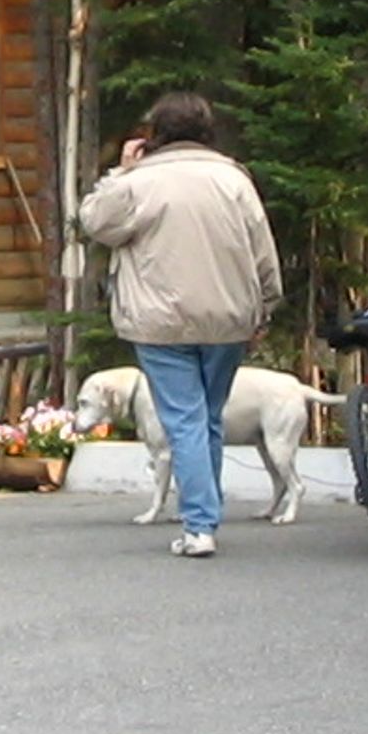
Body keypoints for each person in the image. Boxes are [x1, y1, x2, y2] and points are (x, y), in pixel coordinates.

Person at [74, 91, 278, 557]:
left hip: (159, 322)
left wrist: (121, 171)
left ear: (154, 134)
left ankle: (200, 525)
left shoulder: (140, 183)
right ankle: (207, 509)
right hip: (228, 319)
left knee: (183, 419)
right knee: (206, 416)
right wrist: (265, 306)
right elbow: (262, 250)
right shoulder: (234, 180)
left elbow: (96, 222)